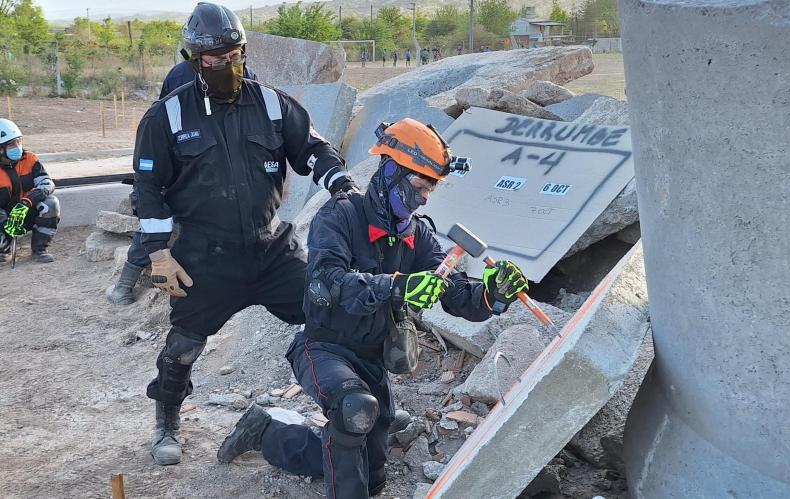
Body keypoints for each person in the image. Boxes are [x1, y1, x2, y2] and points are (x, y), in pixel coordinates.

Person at [215, 118, 530, 498]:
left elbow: (455, 294)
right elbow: (326, 285)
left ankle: (266, 432)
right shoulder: (339, 216)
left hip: (371, 358)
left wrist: (492, 296)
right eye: (417, 187)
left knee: (369, 474)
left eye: (430, 190)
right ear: (391, 173)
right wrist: (399, 285)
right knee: (354, 410)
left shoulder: (418, 234)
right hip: (323, 348)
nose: (424, 199)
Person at [134, 2, 359, 467]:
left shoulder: (273, 104)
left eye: (232, 55)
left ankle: (354, 406)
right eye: (211, 59)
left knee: (328, 317)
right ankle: (167, 422)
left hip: (272, 250)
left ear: (243, 51)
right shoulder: (167, 117)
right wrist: (158, 254)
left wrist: (342, 187)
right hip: (204, 258)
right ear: (193, 60)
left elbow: (314, 151)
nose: (223, 65)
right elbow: (148, 190)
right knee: (184, 345)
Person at [107, 49, 259, 305]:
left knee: (157, 218)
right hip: (213, 164)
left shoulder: (181, 74)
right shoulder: (238, 71)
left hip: (192, 163)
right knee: (161, 218)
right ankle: (127, 284)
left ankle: (124, 286)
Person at [0, 118, 59, 264]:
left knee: (50, 203)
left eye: (18, 141)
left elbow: (46, 184)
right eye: (11, 144)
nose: (17, 147)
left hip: (25, 211)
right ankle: (4, 248)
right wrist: (6, 223)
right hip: (4, 218)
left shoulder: (30, 159)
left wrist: (26, 203)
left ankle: (39, 249)